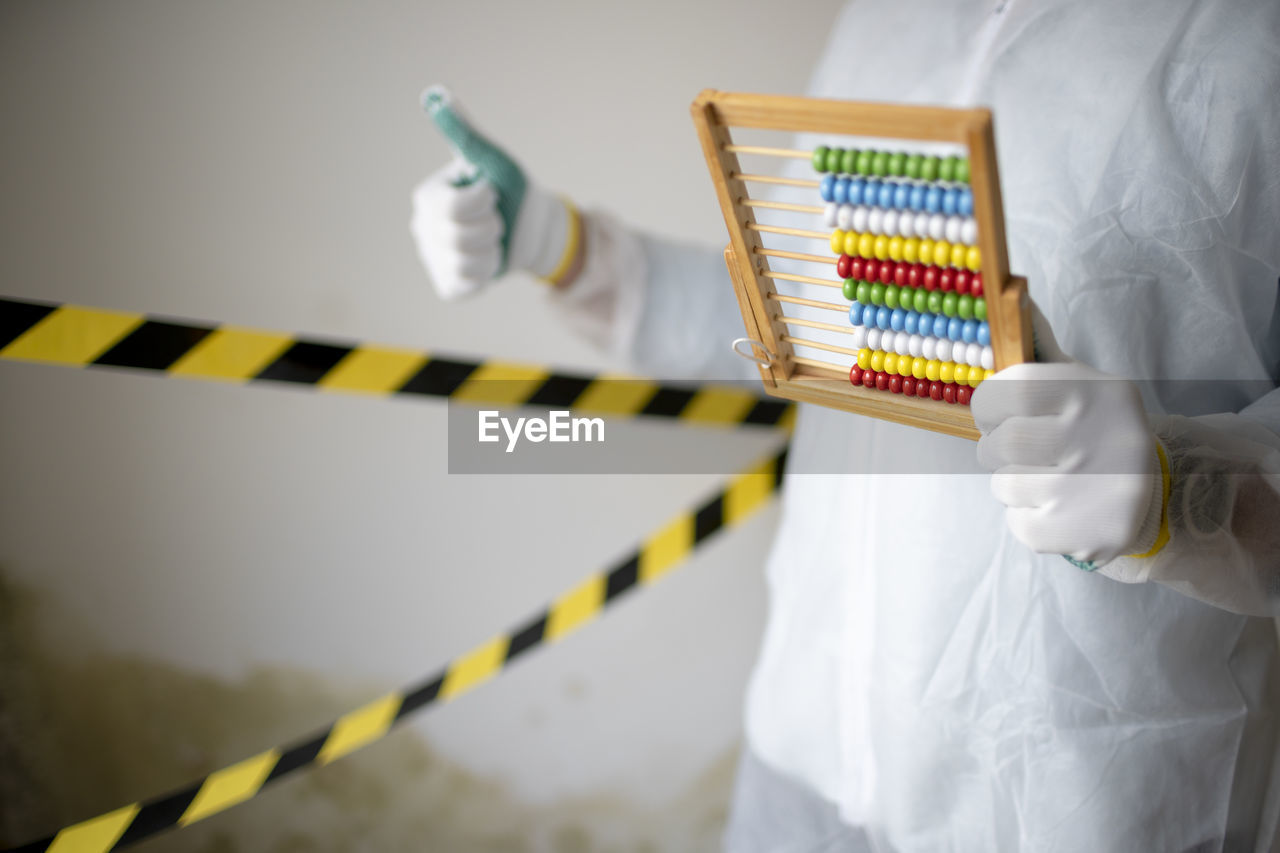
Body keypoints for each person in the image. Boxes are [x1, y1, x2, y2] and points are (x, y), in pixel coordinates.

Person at [410, 0, 1280, 848]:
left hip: (1079, 800)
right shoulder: (885, 21)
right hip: (806, 755)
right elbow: (804, 311)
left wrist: (1183, 496)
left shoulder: (1250, 37)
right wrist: (562, 248)